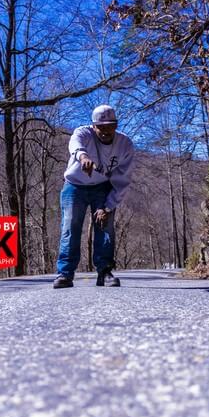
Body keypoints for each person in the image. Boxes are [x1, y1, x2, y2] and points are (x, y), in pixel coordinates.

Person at [53, 105, 135, 289]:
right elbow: (75, 144)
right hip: (74, 185)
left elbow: (123, 181)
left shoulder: (125, 144)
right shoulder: (83, 133)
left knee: (105, 227)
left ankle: (104, 272)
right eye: (101, 127)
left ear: (116, 125)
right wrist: (83, 157)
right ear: (93, 126)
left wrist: (107, 207)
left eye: (110, 126)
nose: (105, 131)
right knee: (70, 227)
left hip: (102, 186)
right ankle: (65, 274)